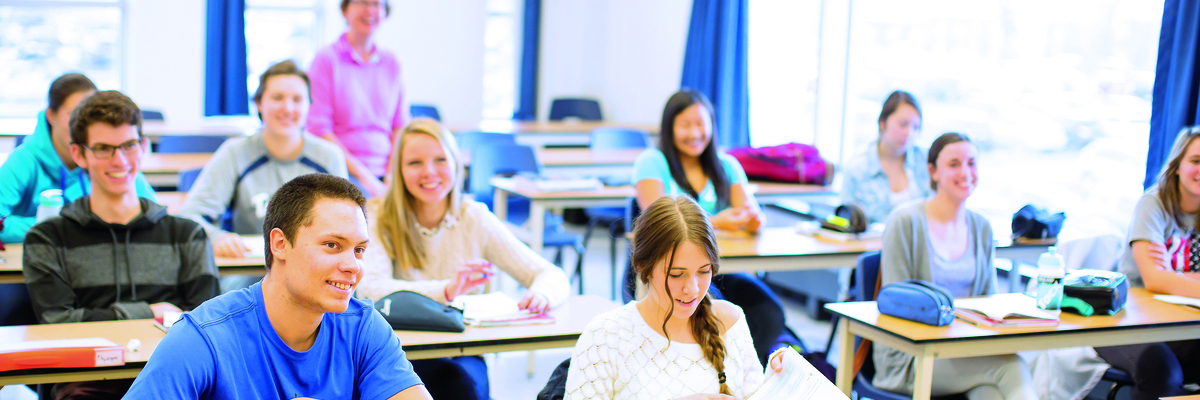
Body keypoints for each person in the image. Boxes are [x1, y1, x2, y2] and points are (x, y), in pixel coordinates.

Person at [124, 174, 433, 400]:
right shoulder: (205, 336)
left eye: (359, 250)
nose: (353, 265)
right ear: (280, 244)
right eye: (332, 245)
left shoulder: (363, 326)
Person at [22, 90, 219, 399]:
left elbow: (206, 321)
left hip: (174, 378)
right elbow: (59, 321)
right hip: (85, 383)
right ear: (78, 154)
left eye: (129, 145)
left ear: (143, 147)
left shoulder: (187, 234)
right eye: (103, 149)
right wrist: (150, 312)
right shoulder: (47, 238)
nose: (120, 160)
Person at [357, 118, 570, 400]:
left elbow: (550, 274)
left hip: (462, 349)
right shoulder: (377, 216)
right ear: (398, 170)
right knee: (452, 384)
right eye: (414, 163)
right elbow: (369, 288)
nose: (429, 172)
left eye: (440, 160)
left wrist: (542, 293)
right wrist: (446, 290)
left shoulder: (474, 216)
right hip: (397, 350)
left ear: (456, 165)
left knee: (465, 384)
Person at [566, 196, 796, 399]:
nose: (693, 289)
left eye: (704, 271)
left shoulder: (730, 321)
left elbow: (753, 394)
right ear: (643, 267)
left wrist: (779, 379)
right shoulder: (607, 335)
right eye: (676, 275)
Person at [876, 132, 1036, 399]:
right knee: (1010, 366)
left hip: (965, 351)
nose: (966, 172)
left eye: (972, 163)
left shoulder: (981, 227)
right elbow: (898, 307)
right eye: (954, 164)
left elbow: (989, 305)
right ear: (933, 171)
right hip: (911, 356)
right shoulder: (905, 221)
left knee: (991, 393)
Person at [631, 89, 785, 365]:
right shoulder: (652, 162)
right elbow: (657, 227)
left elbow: (752, 216)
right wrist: (718, 223)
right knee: (711, 314)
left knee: (769, 313)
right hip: (667, 275)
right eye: (685, 125)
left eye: (701, 124)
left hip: (717, 271)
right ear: (669, 128)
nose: (695, 133)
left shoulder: (727, 165)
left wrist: (752, 219)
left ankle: (736, 373)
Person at [179, 60, 347, 259]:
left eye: (297, 99)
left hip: (313, 269)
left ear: (309, 106)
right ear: (258, 103)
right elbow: (191, 216)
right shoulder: (234, 153)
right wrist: (217, 238)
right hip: (250, 272)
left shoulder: (329, 158)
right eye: (277, 98)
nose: (287, 108)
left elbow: (346, 225)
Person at [1093, 127, 1200, 400]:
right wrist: (1176, 279)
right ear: (1177, 166)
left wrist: (1173, 277)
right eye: (1196, 161)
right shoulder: (1152, 204)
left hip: (1179, 322)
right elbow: (1155, 280)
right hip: (1128, 321)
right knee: (1161, 372)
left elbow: (1167, 279)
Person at [0, 73, 155, 243]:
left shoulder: (110, 162)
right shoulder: (24, 161)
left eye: (91, 116)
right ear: (51, 116)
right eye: (74, 114)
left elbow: (153, 218)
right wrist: (61, 228)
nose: (82, 123)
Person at [307, 0, 409, 198]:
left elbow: (400, 126)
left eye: (377, 4)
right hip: (341, 169)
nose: (370, 10)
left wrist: (391, 174)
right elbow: (319, 129)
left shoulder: (392, 62)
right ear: (345, 9)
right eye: (362, 2)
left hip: (387, 169)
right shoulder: (326, 60)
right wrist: (365, 176)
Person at [841, 90, 933, 224]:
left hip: (917, 243)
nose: (909, 133)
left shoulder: (925, 161)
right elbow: (846, 222)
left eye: (916, 127)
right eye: (903, 124)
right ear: (882, 122)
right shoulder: (857, 168)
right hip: (871, 244)